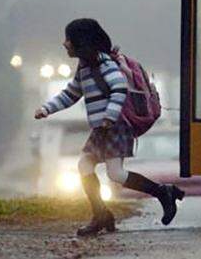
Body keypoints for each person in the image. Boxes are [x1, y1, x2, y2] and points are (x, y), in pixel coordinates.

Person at [34, 18, 183, 236]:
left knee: (115, 174)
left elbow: (119, 88)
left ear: (81, 41)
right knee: (84, 166)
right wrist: (47, 109)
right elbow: (71, 94)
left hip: (115, 126)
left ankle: (163, 192)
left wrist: (109, 117)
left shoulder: (105, 64)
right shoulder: (84, 68)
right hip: (102, 128)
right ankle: (100, 214)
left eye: (69, 39)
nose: (65, 44)